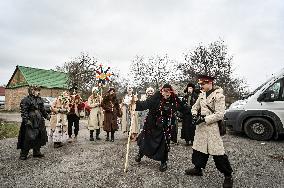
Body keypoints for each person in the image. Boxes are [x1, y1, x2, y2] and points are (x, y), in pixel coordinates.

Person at [184, 75, 233, 188]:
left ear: (210, 83)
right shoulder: (201, 94)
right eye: (200, 84)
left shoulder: (219, 96)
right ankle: (197, 169)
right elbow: (194, 107)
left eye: (203, 84)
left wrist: (204, 119)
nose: (201, 86)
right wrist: (195, 115)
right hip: (201, 127)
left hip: (212, 128)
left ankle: (228, 175)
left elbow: (220, 114)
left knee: (218, 153)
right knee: (199, 149)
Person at [134, 84, 189, 172]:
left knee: (164, 144)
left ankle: (163, 162)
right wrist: (135, 103)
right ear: (161, 91)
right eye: (164, 91)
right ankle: (140, 154)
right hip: (151, 124)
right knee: (146, 140)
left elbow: (184, 109)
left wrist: (192, 112)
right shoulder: (155, 97)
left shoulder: (174, 100)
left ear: (171, 92)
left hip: (165, 126)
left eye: (168, 92)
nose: (166, 94)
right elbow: (144, 104)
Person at [17, 85, 50, 160]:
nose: (38, 92)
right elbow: (24, 111)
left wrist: (47, 116)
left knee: (39, 136)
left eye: (39, 90)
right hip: (30, 121)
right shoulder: (26, 100)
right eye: (37, 90)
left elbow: (42, 110)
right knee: (28, 137)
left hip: (39, 120)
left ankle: (36, 152)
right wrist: (26, 120)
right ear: (32, 91)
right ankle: (23, 154)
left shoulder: (39, 99)